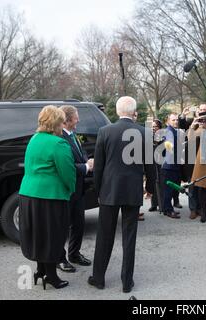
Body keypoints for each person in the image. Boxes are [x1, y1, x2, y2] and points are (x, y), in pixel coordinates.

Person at [89, 96, 154, 293]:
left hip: (109, 190)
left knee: (104, 235)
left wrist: (97, 189)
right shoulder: (145, 133)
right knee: (129, 236)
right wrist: (150, 187)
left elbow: (98, 166)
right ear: (134, 112)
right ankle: (127, 281)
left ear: (118, 111)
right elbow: (150, 166)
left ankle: (98, 278)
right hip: (132, 189)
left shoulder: (105, 131)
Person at [19, 105, 76, 290]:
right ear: (56, 123)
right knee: (53, 236)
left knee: (38, 235)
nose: (63, 125)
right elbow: (68, 172)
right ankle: (51, 276)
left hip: (28, 194)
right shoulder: (58, 143)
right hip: (50, 197)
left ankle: (40, 271)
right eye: (61, 122)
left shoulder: (34, 139)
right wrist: (71, 190)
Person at [57, 105, 93, 273]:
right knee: (63, 226)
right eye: (76, 117)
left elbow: (81, 152)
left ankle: (74, 254)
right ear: (67, 120)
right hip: (65, 188)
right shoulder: (59, 138)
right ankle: (60, 258)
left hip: (78, 189)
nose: (78, 120)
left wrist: (87, 161)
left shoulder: (73, 135)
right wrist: (86, 167)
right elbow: (67, 166)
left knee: (78, 223)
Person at [161, 113, 183, 218]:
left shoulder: (173, 131)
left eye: (176, 120)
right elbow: (168, 146)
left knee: (170, 189)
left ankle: (167, 209)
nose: (176, 121)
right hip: (169, 166)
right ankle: (168, 210)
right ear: (168, 121)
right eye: (173, 120)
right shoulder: (169, 131)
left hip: (173, 165)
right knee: (168, 190)